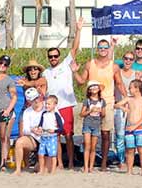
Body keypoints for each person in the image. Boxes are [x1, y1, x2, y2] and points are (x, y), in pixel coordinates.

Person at [72, 18, 126, 168]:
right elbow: (82, 81)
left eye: (105, 47)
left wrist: (128, 98)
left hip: (107, 102)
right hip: (91, 102)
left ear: (108, 49)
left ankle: (103, 162)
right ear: (97, 49)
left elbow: (120, 84)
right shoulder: (90, 64)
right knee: (88, 135)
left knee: (105, 133)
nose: (103, 49)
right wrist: (75, 72)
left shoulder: (114, 66)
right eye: (100, 47)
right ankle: (88, 163)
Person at [43, 35, 81, 169]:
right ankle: (59, 163)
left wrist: (78, 29)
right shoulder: (45, 72)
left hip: (65, 105)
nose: (53, 58)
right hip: (52, 108)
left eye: (55, 56)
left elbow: (74, 48)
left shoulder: (65, 65)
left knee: (69, 135)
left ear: (59, 56)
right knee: (55, 137)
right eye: (50, 56)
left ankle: (70, 162)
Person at [118, 80, 142, 176]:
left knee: (141, 149)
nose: (129, 89)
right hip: (129, 128)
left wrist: (135, 126)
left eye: (131, 87)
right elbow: (116, 104)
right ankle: (129, 170)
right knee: (130, 150)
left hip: (140, 128)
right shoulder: (128, 99)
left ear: (137, 89)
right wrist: (122, 107)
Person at [13, 88, 46, 175]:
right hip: (35, 138)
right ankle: (18, 169)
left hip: (48, 138)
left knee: (42, 170)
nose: (36, 101)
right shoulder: (27, 111)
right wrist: (33, 130)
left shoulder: (47, 106)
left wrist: (45, 129)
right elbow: (25, 129)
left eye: (36, 98)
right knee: (19, 142)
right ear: (28, 101)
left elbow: (59, 121)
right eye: (33, 100)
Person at [80, 82, 107, 173]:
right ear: (89, 90)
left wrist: (100, 111)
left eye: (96, 87)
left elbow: (103, 114)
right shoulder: (87, 101)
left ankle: (91, 167)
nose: (94, 89)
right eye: (92, 87)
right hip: (87, 124)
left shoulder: (102, 101)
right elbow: (81, 114)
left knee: (93, 147)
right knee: (87, 145)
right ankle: (86, 166)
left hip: (96, 125)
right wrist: (89, 111)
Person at [37, 94, 63, 175]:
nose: (47, 105)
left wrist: (54, 130)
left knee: (52, 155)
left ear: (54, 105)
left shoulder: (56, 115)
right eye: (46, 103)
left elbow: (61, 128)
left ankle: (53, 170)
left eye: (49, 104)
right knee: (40, 154)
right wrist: (39, 128)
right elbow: (40, 123)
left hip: (52, 137)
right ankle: (41, 170)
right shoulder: (44, 113)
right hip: (43, 137)